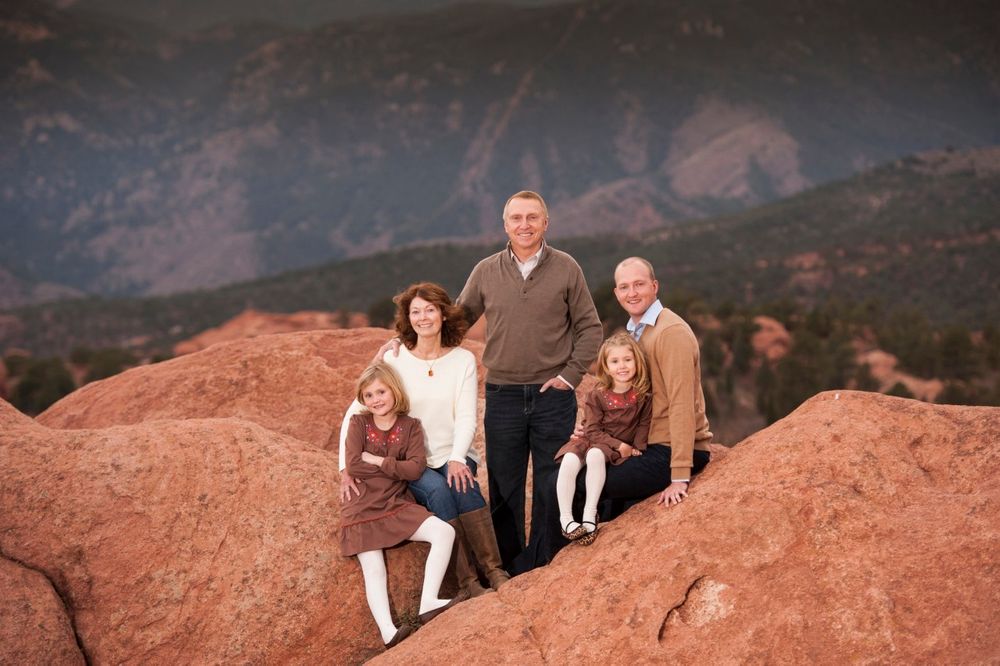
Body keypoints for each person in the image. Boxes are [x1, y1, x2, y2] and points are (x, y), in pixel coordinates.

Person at [511, 256, 712, 572]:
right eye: (624, 287)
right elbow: (630, 398)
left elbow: (681, 404)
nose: (632, 293)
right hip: (643, 444)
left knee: (566, 485)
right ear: (617, 293)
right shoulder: (639, 331)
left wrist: (680, 475)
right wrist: (595, 431)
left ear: (655, 286)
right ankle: (538, 561)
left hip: (668, 451)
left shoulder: (670, 332)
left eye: (639, 284)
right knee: (555, 475)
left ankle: (546, 569)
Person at [456, 190, 603, 568]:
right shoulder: (486, 271)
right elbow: (456, 323)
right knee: (504, 485)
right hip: (502, 394)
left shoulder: (567, 267)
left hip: (552, 396)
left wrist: (570, 377)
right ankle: (505, 566)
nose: (524, 225)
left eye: (532, 218)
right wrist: (406, 341)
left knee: (551, 482)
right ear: (505, 225)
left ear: (545, 223)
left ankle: (543, 560)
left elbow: (590, 328)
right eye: (517, 218)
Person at [339, 283, 509, 597]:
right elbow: (357, 410)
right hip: (411, 460)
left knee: (465, 487)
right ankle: (468, 582)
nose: (423, 317)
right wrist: (344, 468)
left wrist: (459, 458)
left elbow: (467, 417)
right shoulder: (395, 357)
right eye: (415, 311)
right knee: (439, 492)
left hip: (453, 453)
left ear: (444, 314)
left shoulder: (462, 361)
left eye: (430, 310)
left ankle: (494, 571)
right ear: (407, 317)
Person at [339, 362, 465, 649]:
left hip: (395, 502)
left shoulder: (410, 427)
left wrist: (379, 461)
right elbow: (354, 465)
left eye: (381, 392)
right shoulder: (359, 423)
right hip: (362, 505)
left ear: (394, 390)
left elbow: (416, 469)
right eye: (368, 395)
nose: (376, 400)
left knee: (444, 532)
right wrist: (395, 466)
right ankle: (388, 631)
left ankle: (428, 602)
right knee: (373, 567)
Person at [554, 332, 652, 546]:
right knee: (570, 460)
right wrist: (620, 445)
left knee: (596, 455)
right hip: (593, 437)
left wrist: (637, 447)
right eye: (615, 361)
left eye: (627, 360)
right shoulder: (597, 394)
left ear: (637, 361)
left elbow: (644, 423)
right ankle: (566, 520)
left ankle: (590, 515)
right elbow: (591, 429)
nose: (622, 366)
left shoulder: (643, 395)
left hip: (604, 447)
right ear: (606, 367)